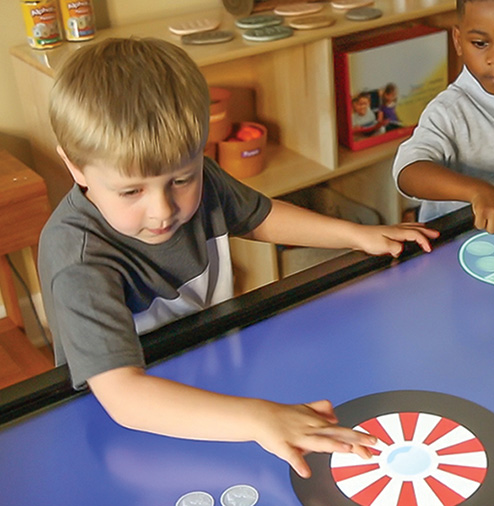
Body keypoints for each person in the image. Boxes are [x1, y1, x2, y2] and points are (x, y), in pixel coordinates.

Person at [39, 37, 438, 479]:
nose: (163, 209)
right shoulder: (78, 259)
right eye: (132, 191)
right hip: (132, 425)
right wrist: (258, 418)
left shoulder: (194, 176)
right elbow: (123, 396)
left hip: (213, 375)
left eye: (181, 179)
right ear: (75, 168)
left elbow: (256, 215)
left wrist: (356, 235)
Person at [392, 0, 494, 248]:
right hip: (455, 247)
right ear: (458, 41)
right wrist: (477, 191)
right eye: (480, 43)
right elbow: (407, 170)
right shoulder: (450, 111)